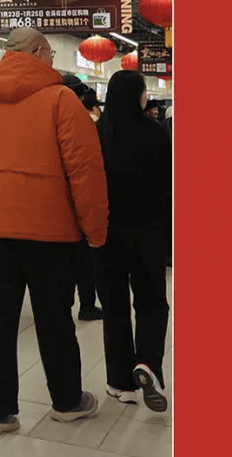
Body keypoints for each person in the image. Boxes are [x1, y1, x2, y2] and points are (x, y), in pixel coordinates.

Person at [0, 27, 108, 436]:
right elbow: (86, 172)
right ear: (40, 52)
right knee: (55, 319)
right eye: (52, 55)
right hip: (50, 233)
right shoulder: (62, 100)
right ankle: (67, 401)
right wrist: (96, 231)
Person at [94, 70, 172, 412]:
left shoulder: (96, 134)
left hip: (105, 232)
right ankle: (148, 363)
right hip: (148, 231)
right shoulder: (155, 132)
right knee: (152, 301)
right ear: (138, 96)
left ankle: (120, 382)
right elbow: (169, 181)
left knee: (114, 306)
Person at [61, 74, 104, 321]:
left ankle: (62, 305)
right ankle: (86, 304)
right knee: (84, 258)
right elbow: (86, 169)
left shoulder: (45, 116)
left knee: (59, 261)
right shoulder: (83, 122)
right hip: (76, 199)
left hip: (52, 201)